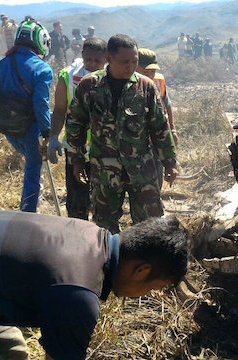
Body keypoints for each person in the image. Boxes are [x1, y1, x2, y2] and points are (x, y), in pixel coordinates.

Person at [0, 209, 189, 360]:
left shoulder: (90, 234)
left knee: (14, 353)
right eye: (152, 288)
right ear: (141, 270)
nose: (142, 296)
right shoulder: (78, 293)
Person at [66, 34, 178, 234]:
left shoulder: (146, 87)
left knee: (150, 225)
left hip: (142, 169)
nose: (131, 66)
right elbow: (76, 123)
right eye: (124, 62)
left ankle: (145, 263)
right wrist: (76, 160)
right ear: (109, 59)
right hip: (104, 171)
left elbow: (160, 127)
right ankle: (112, 262)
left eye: (134, 61)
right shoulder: (89, 86)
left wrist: (170, 162)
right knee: (104, 225)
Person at [0, 20, 53, 213]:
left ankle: (30, 205)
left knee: (30, 163)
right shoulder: (42, 69)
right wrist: (48, 134)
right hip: (30, 129)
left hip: (6, 127)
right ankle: (28, 213)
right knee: (33, 171)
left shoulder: (1, 64)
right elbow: (41, 104)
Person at [47, 37, 107, 220]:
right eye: (88, 59)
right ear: (82, 55)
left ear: (106, 58)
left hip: (105, 147)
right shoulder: (68, 75)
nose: (92, 64)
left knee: (103, 198)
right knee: (77, 197)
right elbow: (59, 109)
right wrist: (53, 137)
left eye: (97, 60)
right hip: (76, 147)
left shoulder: (112, 76)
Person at [137, 48, 177, 144]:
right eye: (146, 72)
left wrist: (173, 129)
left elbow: (167, 104)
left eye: (153, 71)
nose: (150, 75)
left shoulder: (158, 81)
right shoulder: (128, 82)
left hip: (158, 130)